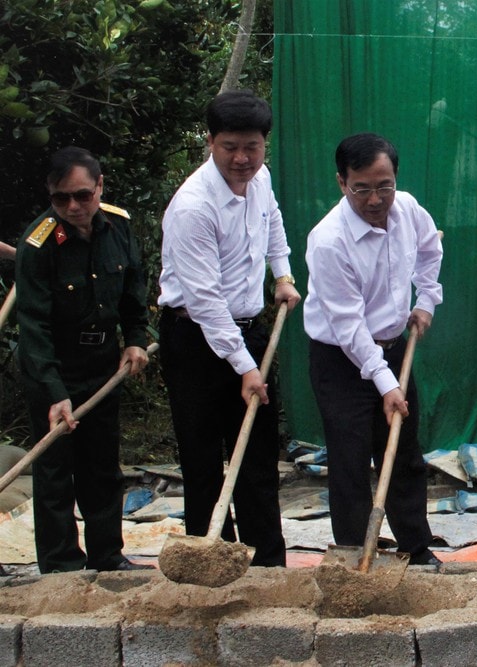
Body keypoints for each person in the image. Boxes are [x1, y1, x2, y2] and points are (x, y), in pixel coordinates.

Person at [158, 90, 300, 567]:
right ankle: (210, 561)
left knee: (257, 458)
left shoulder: (260, 181)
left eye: (252, 148)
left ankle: (266, 566)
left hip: (247, 330)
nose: (242, 159)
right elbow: (204, 300)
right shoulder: (193, 207)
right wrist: (244, 367)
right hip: (195, 339)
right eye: (230, 147)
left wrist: (281, 274)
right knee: (202, 458)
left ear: (265, 145)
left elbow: (273, 220)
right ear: (210, 142)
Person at [304, 133, 443, 566]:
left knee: (403, 452)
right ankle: (354, 557)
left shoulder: (409, 209)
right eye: (361, 188)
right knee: (349, 461)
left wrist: (426, 301)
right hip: (341, 360)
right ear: (341, 183)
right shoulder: (328, 241)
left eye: (385, 185)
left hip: (394, 344)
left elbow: (430, 250)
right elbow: (348, 327)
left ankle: (416, 549)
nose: (375, 199)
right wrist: (385, 384)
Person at [15, 146, 151, 573]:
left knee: (102, 466)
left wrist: (134, 340)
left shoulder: (120, 226)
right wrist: (54, 393)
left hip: (102, 364)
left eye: (82, 195)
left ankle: (107, 556)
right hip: (52, 367)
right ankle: (61, 567)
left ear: (100, 187)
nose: (73, 207)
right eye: (61, 199)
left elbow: (133, 289)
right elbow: (33, 326)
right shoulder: (38, 244)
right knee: (55, 471)